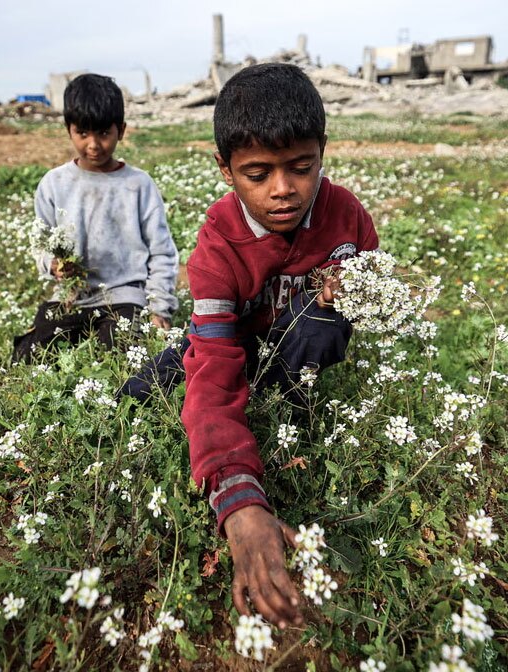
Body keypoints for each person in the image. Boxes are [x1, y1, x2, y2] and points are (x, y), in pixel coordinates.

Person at [122, 63, 378, 629]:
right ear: (226, 169)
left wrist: (351, 294)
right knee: (150, 388)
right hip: (234, 341)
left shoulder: (347, 217)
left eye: (301, 168)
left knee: (318, 323)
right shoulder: (218, 245)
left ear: (322, 153)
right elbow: (214, 365)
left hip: (297, 351)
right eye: (257, 174)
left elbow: (373, 283)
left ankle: (289, 402)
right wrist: (238, 499)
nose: (283, 190)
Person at [13, 74, 178, 363]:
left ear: (121, 130)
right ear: (69, 130)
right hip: (71, 296)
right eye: (83, 133)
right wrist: (53, 266)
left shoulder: (138, 184)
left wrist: (159, 308)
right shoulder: (54, 183)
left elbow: (162, 251)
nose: (93, 144)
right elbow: (41, 243)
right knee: (30, 354)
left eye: (103, 133)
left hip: (123, 295)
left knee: (120, 352)